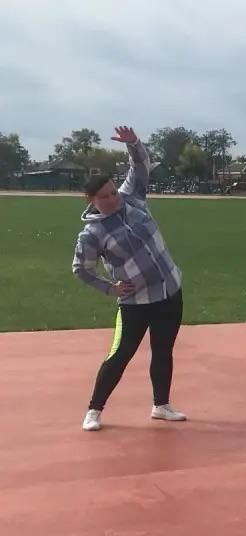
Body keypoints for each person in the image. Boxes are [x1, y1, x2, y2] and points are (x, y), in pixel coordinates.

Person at [72, 126, 186, 431]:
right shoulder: (92, 233)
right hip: (135, 303)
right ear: (91, 200)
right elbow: (81, 268)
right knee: (120, 355)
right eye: (104, 196)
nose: (112, 199)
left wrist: (133, 143)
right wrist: (110, 289)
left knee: (163, 351)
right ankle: (94, 409)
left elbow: (140, 165)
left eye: (113, 192)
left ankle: (161, 405)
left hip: (170, 293)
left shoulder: (132, 198)